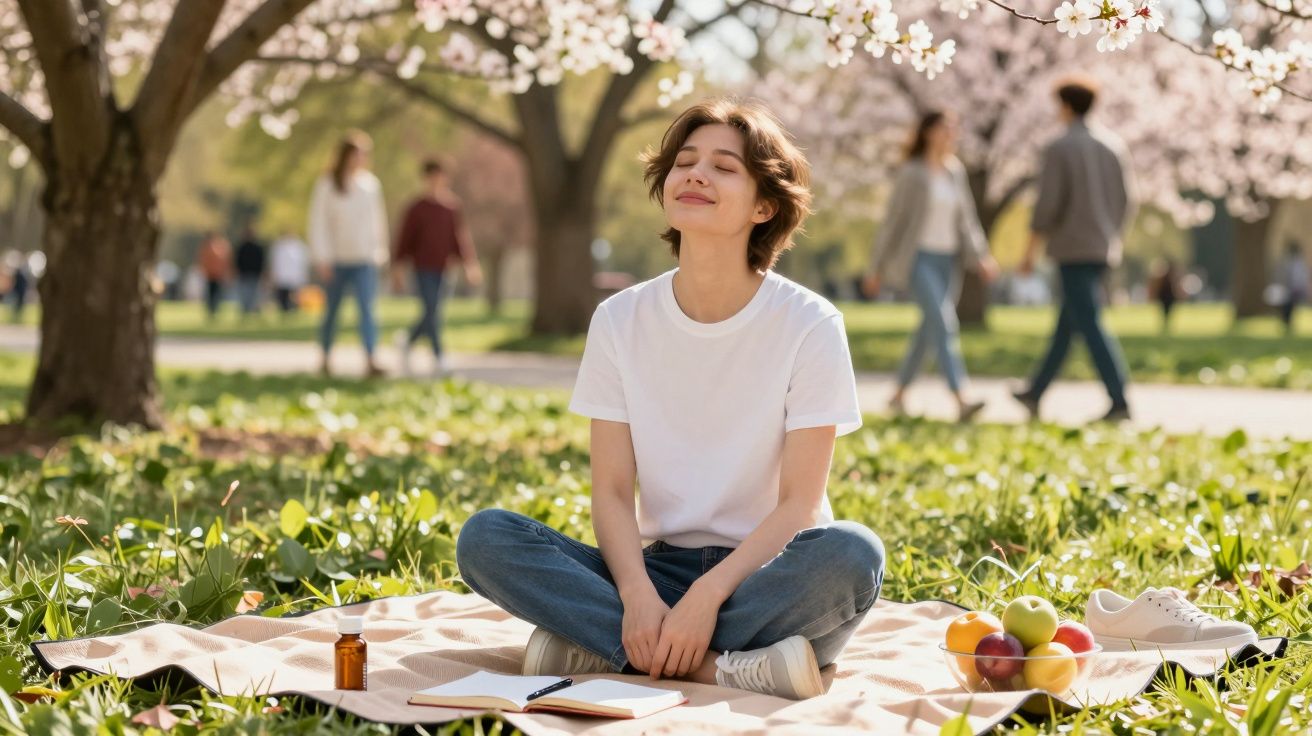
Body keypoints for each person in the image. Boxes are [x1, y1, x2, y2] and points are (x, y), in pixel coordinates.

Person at [456, 98, 884, 702]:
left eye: (724, 167)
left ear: (764, 206)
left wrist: (707, 597)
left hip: (766, 575)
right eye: (685, 162)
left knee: (855, 554)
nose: (696, 175)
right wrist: (636, 596)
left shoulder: (810, 323)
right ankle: (725, 668)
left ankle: (606, 649)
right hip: (654, 572)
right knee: (486, 538)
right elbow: (611, 491)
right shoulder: (619, 319)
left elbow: (799, 505)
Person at [862, 110, 999, 422]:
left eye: (953, 128)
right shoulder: (912, 173)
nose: (950, 133)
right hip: (918, 259)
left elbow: (967, 219)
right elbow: (893, 222)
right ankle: (961, 398)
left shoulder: (954, 172)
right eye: (944, 127)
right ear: (928, 132)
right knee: (944, 323)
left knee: (929, 329)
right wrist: (875, 268)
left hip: (948, 260)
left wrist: (981, 256)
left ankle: (898, 395)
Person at [1013, 78, 1136, 422]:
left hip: (1072, 249)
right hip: (1102, 247)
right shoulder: (1113, 146)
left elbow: (1047, 206)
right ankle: (1035, 392)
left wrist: (1029, 251)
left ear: (1066, 106)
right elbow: (1128, 200)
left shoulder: (1060, 147)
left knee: (1090, 324)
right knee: (1068, 324)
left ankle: (1119, 400)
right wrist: (1111, 235)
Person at [391, 157, 484, 376]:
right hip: (422, 268)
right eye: (432, 176)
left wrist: (470, 265)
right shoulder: (416, 208)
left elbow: (459, 238)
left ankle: (408, 340)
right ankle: (439, 355)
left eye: (440, 176)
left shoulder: (451, 207)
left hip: (445, 269)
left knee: (434, 312)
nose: (436, 180)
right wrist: (398, 267)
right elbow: (404, 240)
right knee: (432, 309)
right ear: (425, 178)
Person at [308, 131, 389, 377]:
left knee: (367, 310)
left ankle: (370, 358)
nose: (361, 159)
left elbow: (377, 222)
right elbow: (318, 223)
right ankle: (325, 357)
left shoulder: (370, 185)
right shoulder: (326, 185)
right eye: (357, 154)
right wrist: (322, 258)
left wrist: (379, 252)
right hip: (336, 260)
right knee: (332, 311)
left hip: (364, 259)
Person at [269, 231, 310, 315]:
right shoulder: (279, 246)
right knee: (283, 295)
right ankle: (285, 309)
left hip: (294, 275)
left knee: (296, 294)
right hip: (283, 275)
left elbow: (303, 262)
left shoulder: (299, 246)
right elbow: (275, 262)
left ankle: (295, 308)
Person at [196, 232, 232, 321]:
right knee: (213, 294)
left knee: (214, 294)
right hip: (212, 275)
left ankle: (213, 310)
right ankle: (212, 310)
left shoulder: (213, 247)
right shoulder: (213, 247)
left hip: (216, 274)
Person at [234, 225, 266, 316]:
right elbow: (237, 261)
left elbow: (261, 261)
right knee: (245, 294)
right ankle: (246, 309)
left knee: (252, 294)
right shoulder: (242, 247)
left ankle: (250, 309)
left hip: (254, 274)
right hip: (244, 274)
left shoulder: (257, 247)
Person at [1277, 240, 1307, 333]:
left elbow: (1300, 276)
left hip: (1293, 288)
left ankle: (1288, 323)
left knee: (1290, 307)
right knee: (1287, 306)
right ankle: (1286, 322)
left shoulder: (1297, 262)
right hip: (1288, 288)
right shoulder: (1289, 261)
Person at [1148, 258, 1182, 333]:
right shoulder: (1164, 277)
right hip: (1165, 297)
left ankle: (1166, 324)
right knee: (1165, 312)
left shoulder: (1171, 277)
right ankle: (1165, 324)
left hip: (1169, 297)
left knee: (1168, 312)